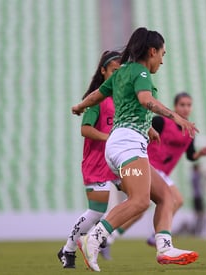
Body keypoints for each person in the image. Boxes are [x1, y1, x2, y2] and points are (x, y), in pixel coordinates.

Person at [71, 27, 199, 271]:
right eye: (162, 53)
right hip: (128, 145)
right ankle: (93, 239)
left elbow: (97, 94)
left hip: (120, 145)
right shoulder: (140, 71)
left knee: (166, 196)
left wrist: (79, 106)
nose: (162, 59)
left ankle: (164, 247)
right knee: (139, 201)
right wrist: (175, 117)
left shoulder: (121, 73)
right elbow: (145, 100)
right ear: (152, 51)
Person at [57, 51, 134, 268]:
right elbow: (85, 129)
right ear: (103, 71)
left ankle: (103, 236)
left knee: (140, 197)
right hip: (97, 163)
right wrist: (108, 138)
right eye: (114, 71)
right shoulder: (97, 99)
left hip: (117, 161)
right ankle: (68, 249)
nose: (118, 76)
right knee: (96, 211)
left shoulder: (123, 98)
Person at [146, 92, 206, 245]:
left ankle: (107, 236)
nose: (186, 108)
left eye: (189, 105)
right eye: (182, 105)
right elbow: (145, 132)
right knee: (175, 199)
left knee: (142, 204)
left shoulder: (190, 130)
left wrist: (199, 154)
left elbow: (190, 155)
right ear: (175, 106)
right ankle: (160, 236)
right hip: (151, 166)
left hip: (162, 172)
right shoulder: (161, 121)